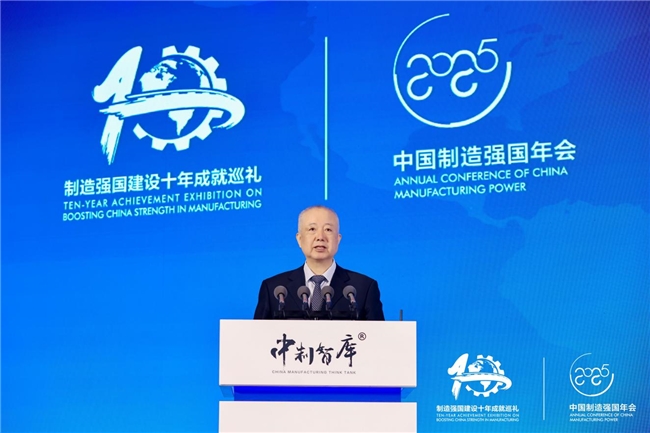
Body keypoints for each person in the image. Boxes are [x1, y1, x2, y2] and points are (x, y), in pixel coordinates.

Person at [254, 205, 384, 320]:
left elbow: (378, 337)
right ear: (299, 239)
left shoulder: (364, 288)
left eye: (328, 230)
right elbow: (257, 336)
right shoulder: (274, 288)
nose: (320, 237)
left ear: (338, 239)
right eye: (312, 229)